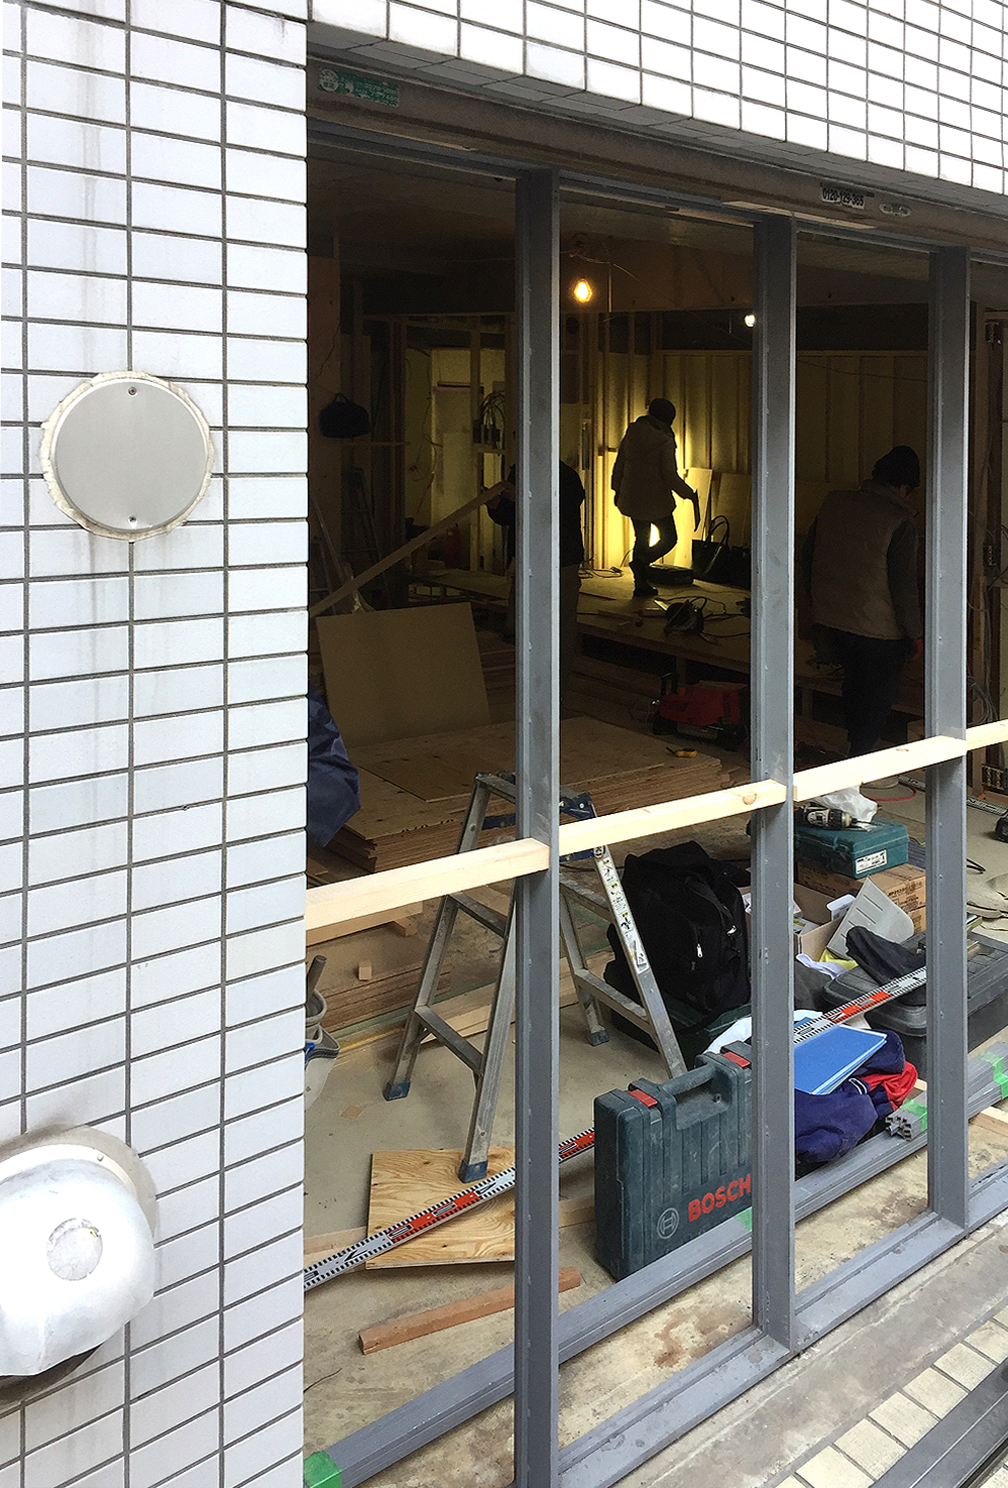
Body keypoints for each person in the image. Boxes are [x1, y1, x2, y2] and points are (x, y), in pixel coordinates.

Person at [802, 445, 923, 756]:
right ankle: (859, 756)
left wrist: (812, 607)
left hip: (830, 622)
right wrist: (915, 634)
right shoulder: (899, 522)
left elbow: (808, 555)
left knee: (853, 686)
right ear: (904, 487)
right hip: (876, 633)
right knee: (876, 698)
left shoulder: (834, 503)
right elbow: (903, 586)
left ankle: (852, 748)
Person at [484, 458, 585, 707]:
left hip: (560, 560)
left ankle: (555, 694)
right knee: (518, 624)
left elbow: (558, 511)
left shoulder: (565, 476)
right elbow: (512, 515)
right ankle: (524, 692)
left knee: (559, 629)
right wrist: (496, 506)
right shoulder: (519, 470)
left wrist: (522, 497)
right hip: (527, 561)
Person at [611, 397, 700, 598]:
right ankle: (642, 562)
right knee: (669, 538)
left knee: (641, 538)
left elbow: (620, 463)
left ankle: (640, 585)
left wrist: (617, 490)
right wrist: (688, 493)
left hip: (632, 497)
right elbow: (669, 475)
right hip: (656, 500)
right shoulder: (665, 440)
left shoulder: (632, 432)